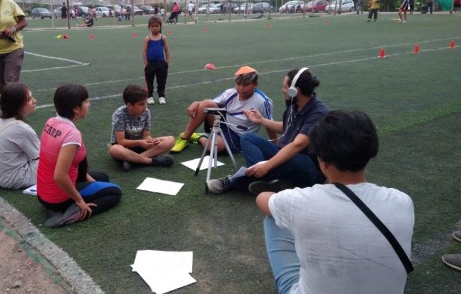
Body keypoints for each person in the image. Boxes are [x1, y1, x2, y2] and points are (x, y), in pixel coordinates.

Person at [256, 110, 414, 293]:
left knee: (273, 218)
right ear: (370, 151)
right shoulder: (402, 201)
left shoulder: (299, 201)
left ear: (321, 160)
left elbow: (262, 199)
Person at [206, 67, 328, 194]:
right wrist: (261, 120)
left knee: (289, 159)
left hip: (307, 166)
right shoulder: (294, 104)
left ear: (295, 91)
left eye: (285, 87)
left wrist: (267, 166)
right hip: (286, 152)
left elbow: (298, 145)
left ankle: (233, 181)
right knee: (248, 137)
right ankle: (265, 182)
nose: (283, 90)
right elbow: (287, 127)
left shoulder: (318, 112)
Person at [37, 84, 122, 228]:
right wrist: (80, 201)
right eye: (86, 101)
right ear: (76, 109)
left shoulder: (51, 122)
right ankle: (70, 215)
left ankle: (58, 207)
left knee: (103, 177)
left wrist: (89, 180)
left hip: (43, 194)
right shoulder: (72, 134)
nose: (89, 104)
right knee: (115, 192)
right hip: (57, 197)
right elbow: (60, 175)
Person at [171, 66, 276, 155]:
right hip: (223, 123)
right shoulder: (230, 92)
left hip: (239, 136)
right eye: (238, 84)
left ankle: (200, 137)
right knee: (206, 104)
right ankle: (185, 138)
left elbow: (269, 124)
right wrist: (196, 103)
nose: (241, 88)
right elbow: (209, 103)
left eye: (245, 85)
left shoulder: (263, 101)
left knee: (214, 149)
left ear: (255, 84)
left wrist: (274, 145)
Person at [108, 84, 175, 171]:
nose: (145, 106)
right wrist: (140, 142)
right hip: (125, 147)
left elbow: (146, 135)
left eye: (146, 102)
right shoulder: (119, 114)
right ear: (129, 105)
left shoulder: (146, 112)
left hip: (141, 146)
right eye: (141, 104)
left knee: (170, 140)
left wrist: (151, 141)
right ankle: (151, 161)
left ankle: (133, 160)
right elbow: (121, 141)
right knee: (114, 149)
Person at [0, 83, 39, 189]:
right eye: (29, 99)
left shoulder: (1, 121)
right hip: (14, 179)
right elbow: (39, 156)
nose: (35, 101)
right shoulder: (22, 129)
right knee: (56, 159)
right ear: (18, 104)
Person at [143, 15, 170, 105]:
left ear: (160, 26)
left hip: (161, 63)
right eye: (152, 26)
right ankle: (150, 96)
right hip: (150, 63)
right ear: (149, 27)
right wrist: (146, 62)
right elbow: (144, 51)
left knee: (161, 80)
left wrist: (167, 60)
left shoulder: (163, 37)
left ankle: (161, 96)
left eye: (157, 26)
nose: (155, 28)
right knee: (149, 80)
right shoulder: (148, 38)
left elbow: (166, 49)